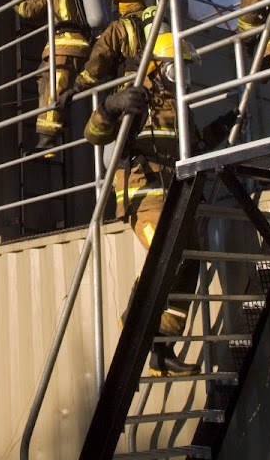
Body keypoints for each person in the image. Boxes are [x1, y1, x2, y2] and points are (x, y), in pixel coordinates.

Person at [83, 32, 202, 376]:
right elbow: (93, 135)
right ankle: (133, 318)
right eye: (177, 69)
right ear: (158, 68)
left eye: (187, 70)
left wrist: (221, 129)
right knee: (168, 252)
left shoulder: (179, 105)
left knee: (189, 256)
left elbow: (193, 143)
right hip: (142, 192)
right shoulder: (136, 94)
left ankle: (163, 350)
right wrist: (111, 106)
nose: (184, 77)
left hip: (175, 191)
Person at [14, 0, 91, 154]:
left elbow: (30, 9)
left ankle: (47, 144)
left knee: (52, 92)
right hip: (76, 46)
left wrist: (16, 1)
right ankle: (58, 125)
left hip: (64, 45)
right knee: (44, 79)